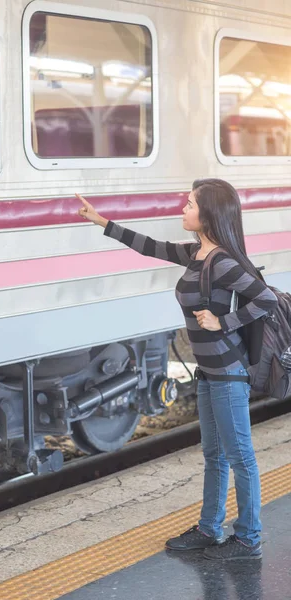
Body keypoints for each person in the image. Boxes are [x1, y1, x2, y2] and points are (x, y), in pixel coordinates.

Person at [76, 179, 278, 561]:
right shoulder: (198, 255)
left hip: (228, 374)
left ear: (209, 214)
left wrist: (225, 322)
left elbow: (266, 299)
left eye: (189, 204)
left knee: (240, 457)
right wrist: (101, 222)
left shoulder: (222, 261)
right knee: (214, 455)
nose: (182, 209)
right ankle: (209, 527)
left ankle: (249, 537)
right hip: (208, 374)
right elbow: (150, 247)